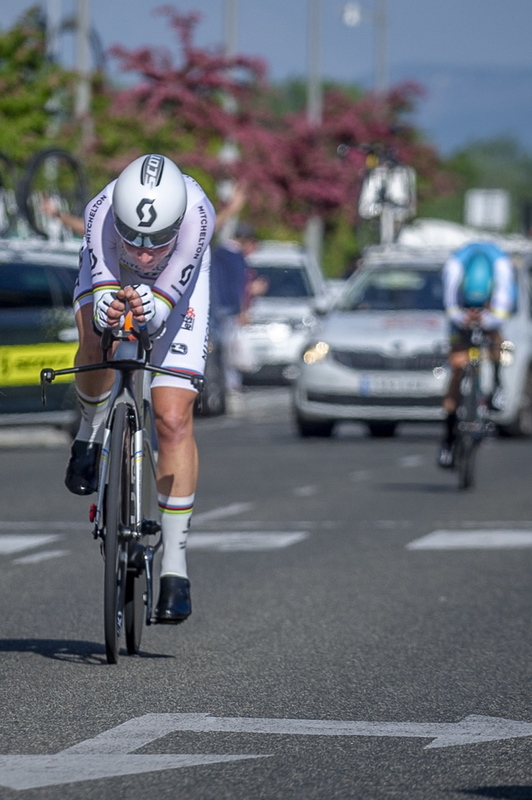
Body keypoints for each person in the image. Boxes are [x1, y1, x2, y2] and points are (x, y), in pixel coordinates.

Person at [64, 153, 216, 624]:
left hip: (178, 291)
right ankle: (90, 432)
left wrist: (153, 307)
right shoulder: (101, 209)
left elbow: (166, 302)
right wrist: (112, 306)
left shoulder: (197, 214)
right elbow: (105, 279)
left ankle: (175, 563)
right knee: (94, 335)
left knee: (171, 418)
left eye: (157, 243)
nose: (146, 254)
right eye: (135, 240)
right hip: (111, 273)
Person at [438, 240, 515, 468]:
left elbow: (503, 308)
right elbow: (450, 304)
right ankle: (448, 439)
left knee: (499, 341)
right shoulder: (454, 268)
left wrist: (487, 318)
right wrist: (462, 317)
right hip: (460, 315)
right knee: (458, 363)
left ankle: (498, 384)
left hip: (492, 311)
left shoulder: (501, 266)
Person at [210, 221, 263, 400]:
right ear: (246, 240)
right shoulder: (235, 257)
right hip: (229, 308)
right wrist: (242, 310)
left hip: (216, 305)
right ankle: (230, 383)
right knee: (229, 348)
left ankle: (229, 382)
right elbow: (237, 287)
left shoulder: (218, 253)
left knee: (225, 347)